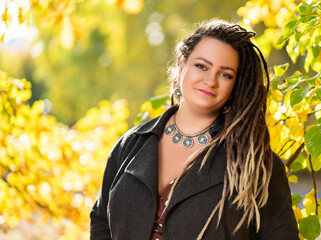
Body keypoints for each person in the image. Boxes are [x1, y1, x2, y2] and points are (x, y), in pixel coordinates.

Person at [90, 19, 299, 240]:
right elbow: (101, 221)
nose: (210, 81)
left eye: (225, 74)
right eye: (201, 66)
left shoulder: (255, 163)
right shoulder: (130, 144)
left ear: (235, 86)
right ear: (181, 69)